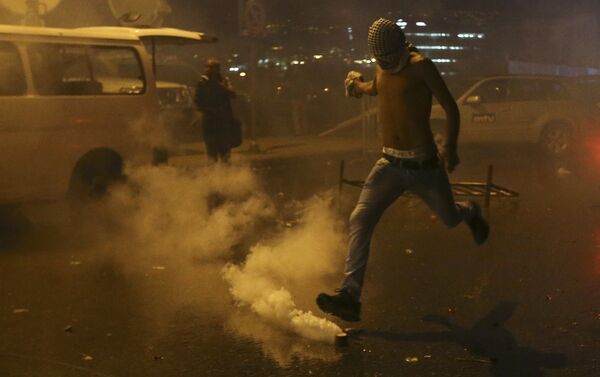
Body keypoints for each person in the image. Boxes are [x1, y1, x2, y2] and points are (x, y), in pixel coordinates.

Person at [316, 18, 490, 322]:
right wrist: (358, 87)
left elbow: (450, 106)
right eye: (380, 60)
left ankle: (469, 212)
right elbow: (380, 87)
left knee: (450, 218)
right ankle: (350, 296)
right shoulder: (384, 64)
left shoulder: (422, 65)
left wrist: (450, 148)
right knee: (360, 218)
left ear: (400, 46)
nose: (385, 63)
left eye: (388, 58)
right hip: (389, 164)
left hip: (424, 166)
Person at [194, 59, 237, 163]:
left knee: (225, 155)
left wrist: (217, 85)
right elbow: (197, 103)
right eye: (206, 67)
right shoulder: (202, 83)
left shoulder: (224, 81)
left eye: (211, 67)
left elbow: (233, 94)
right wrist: (209, 110)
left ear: (217, 69)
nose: (207, 69)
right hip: (209, 123)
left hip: (223, 123)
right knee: (211, 155)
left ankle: (227, 176)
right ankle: (213, 177)